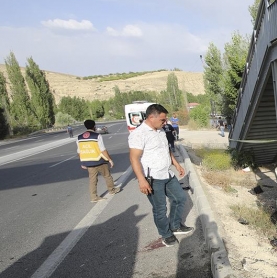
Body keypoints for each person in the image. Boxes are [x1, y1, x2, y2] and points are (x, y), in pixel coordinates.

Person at [128, 104, 193, 247]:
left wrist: (176, 164)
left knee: (180, 198)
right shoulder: (139, 134)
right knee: (160, 209)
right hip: (153, 178)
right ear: (152, 117)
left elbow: (166, 149)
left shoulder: (161, 130)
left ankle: (175, 226)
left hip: (167, 174)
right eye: (162, 120)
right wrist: (141, 180)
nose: (165, 122)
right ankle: (165, 233)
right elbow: (134, 158)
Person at [77, 120, 120, 202]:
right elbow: (103, 150)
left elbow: (79, 151)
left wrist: (82, 162)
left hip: (88, 162)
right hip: (99, 160)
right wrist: (110, 160)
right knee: (107, 176)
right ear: (94, 126)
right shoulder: (96, 136)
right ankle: (112, 190)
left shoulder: (79, 137)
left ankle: (94, 197)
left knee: (92, 180)